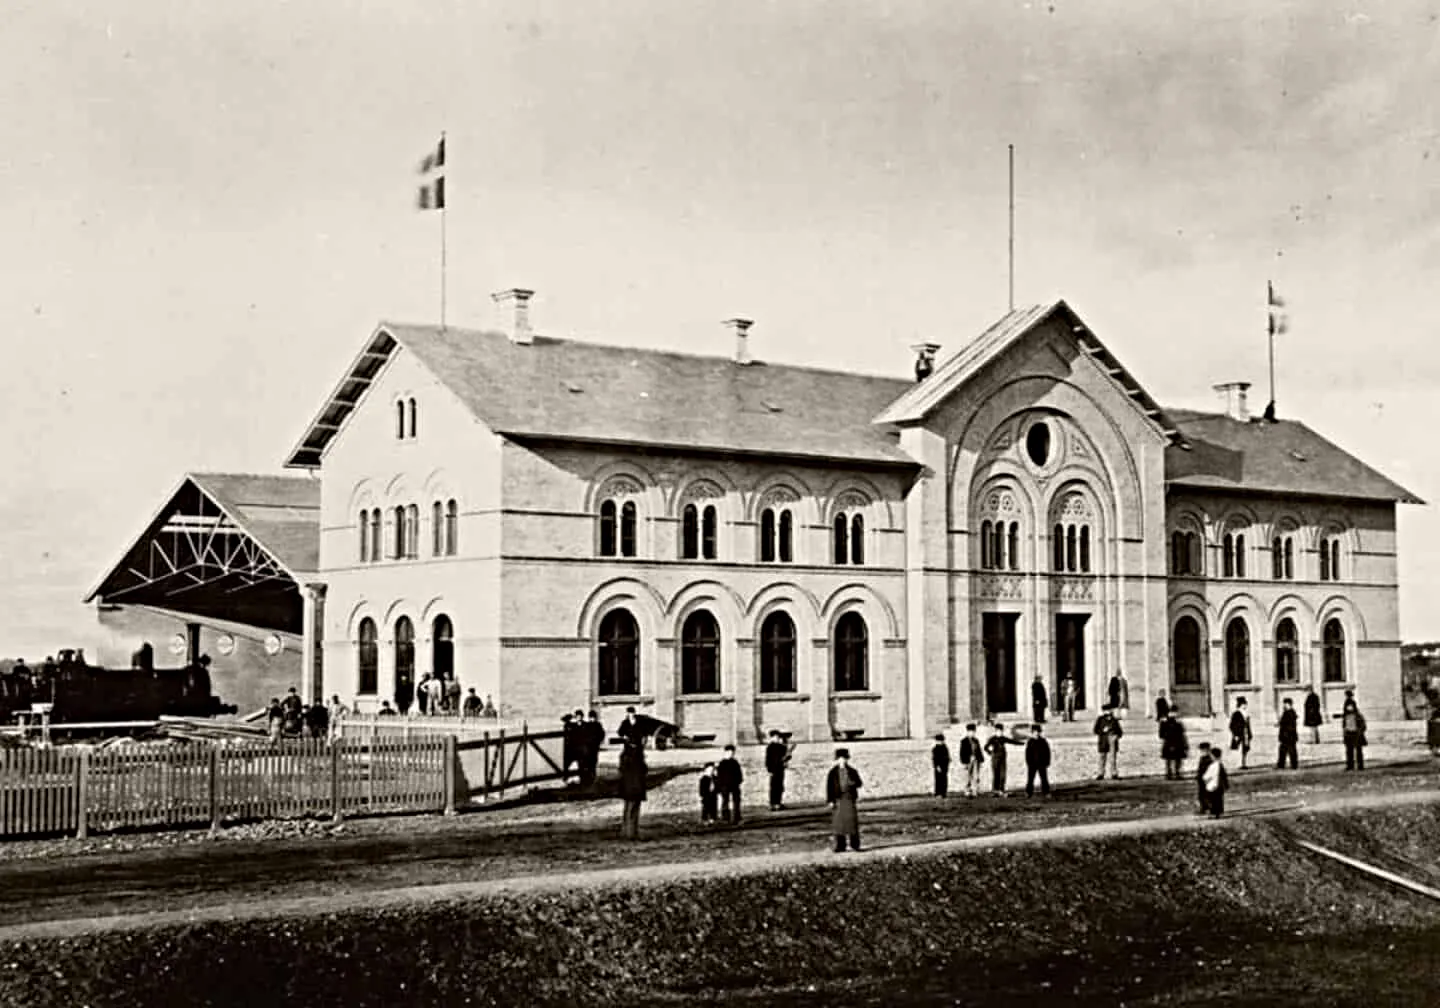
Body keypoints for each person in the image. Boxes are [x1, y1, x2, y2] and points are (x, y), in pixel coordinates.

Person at [825, 748, 863, 853]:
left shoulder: (852, 771)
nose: (842, 761)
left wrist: (853, 782)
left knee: (852, 823)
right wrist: (830, 800)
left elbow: (859, 783)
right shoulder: (832, 773)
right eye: (840, 759)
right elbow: (829, 788)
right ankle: (840, 845)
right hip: (838, 799)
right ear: (837, 760)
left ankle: (855, 845)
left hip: (849, 799)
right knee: (839, 824)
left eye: (844, 759)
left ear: (847, 759)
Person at [985, 722, 1023, 797]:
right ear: (995, 731)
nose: (1000, 733)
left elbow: (1012, 741)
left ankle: (1001, 790)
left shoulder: (1003, 738)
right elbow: (985, 747)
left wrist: (1022, 743)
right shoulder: (992, 739)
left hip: (1003, 759)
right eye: (998, 731)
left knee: (1003, 775)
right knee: (996, 775)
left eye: (1001, 731)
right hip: (995, 759)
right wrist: (990, 753)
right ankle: (994, 790)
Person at [618, 740, 647, 840]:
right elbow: (644, 769)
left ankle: (625, 831)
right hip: (636, 786)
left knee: (627, 809)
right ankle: (632, 833)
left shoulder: (624, 754)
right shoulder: (638, 755)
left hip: (626, 786)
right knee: (634, 810)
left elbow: (621, 769)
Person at [1336, 691, 1367, 771]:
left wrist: (1360, 731)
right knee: (1351, 750)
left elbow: (1362, 726)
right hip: (1350, 732)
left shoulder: (1356, 716)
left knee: (1355, 749)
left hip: (1355, 732)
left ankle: (1356, 765)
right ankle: (1353, 765)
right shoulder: (1350, 716)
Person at [1093, 705, 1124, 780]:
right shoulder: (1100, 719)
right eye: (1106, 710)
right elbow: (1095, 730)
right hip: (1103, 739)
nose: (1108, 711)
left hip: (1112, 738)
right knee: (1102, 757)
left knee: (1112, 757)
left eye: (1109, 710)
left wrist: (1116, 736)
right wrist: (1103, 731)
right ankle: (1101, 773)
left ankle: (1114, 773)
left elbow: (1120, 731)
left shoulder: (1114, 720)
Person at [717, 744, 744, 824]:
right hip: (725, 786)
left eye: (732, 753)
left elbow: (739, 773)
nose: (731, 754)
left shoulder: (735, 763)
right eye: (729, 752)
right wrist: (720, 786)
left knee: (737, 801)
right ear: (725, 753)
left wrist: (739, 781)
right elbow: (719, 776)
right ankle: (725, 818)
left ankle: (737, 817)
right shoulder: (722, 763)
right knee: (725, 801)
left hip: (735, 785)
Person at [764, 730, 790, 810]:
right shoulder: (770, 747)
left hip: (780, 769)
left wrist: (787, 758)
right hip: (773, 770)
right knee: (773, 787)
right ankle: (772, 804)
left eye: (778, 737)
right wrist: (769, 770)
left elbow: (786, 757)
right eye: (775, 737)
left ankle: (778, 803)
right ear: (772, 738)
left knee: (780, 787)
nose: (777, 738)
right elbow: (767, 760)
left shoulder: (782, 747)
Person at [1159, 706, 1188, 779]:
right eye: (1173, 712)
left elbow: (1182, 733)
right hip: (1171, 742)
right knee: (1171, 759)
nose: (1174, 714)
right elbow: (1161, 734)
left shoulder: (1177, 722)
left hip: (1176, 742)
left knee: (1176, 759)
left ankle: (1174, 773)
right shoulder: (1165, 722)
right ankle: (1171, 774)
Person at [958, 723, 985, 797]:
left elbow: (979, 750)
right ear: (967, 732)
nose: (972, 733)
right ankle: (967, 790)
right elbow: (962, 752)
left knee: (976, 775)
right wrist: (964, 762)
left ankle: (976, 790)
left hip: (976, 760)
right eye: (970, 732)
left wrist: (981, 760)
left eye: (973, 732)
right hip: (968, 760)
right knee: (967, 776)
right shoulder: (964, 741)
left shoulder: (976, 740)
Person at [1025, 723, 1051, 798]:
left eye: (1038, 732)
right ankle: (1028, 792)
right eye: (1034, 732)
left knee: (1044, 778)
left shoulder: (1043, 741)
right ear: (1032, 732)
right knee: (1030, 779)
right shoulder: (1030, 742)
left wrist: (1047, 762)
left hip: (1042, 763)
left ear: (1040, 732)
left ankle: (1046, 792)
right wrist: (1028, 762)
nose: (1036, 733)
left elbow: (1047, 752)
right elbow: (1027, 753)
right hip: (1032, 764)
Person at [1203, 743, 1229, 818]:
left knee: (1212, 800)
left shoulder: (1212, 766)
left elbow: (1207, 776)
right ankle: (1218, 813)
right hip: (1219, 786)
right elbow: (1224, 776)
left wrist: (1205, 779)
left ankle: (1212, 813)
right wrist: (1226, 785)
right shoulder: (1221, 765)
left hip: (1212, 786)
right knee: (1219, 800)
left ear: (1213, 756)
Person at [581, 710, 606, 787]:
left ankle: (592, 777)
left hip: (594, 747)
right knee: (587, 763)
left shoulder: (598, 725)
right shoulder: (587, 725)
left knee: (593, 762)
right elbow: (584, 736)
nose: (592, 719)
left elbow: (602, 734)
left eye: (593, 717)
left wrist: (598, 741)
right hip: (588, 747)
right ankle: (587, 778)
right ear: (589, 718)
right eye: (591, 717)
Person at [1229, 697, 1253, 769]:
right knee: (1239, 749)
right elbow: (1232, 725)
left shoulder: (1246, 714)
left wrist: (1250, 734)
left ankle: (1244, 763)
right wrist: (1235, 735)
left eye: (1245, 704)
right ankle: (1239, 764)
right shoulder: (1236, 714)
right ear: (1240, 705)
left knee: (1245, 749)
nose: (1245, 706)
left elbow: (1248, 725)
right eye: (1244, 704)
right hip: (1239, 734)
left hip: (1245, 733)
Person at [1277, 698, 1299, 770]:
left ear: (1288, 704)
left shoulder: (1290, 713)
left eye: (1285, 704)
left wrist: (1286, 733)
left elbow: (1289, 725)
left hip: (1288, 735)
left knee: (1290, 750)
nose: (1284, 705)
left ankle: (1291, 765)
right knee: (1284, 750)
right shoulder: (1289, 712)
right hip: (1287, 735)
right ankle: (1284, 764)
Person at [1194, 742, 1214, 815]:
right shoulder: (1203, 758)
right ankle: (1204, 808)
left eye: (1204, 750)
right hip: (1202, 779)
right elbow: (1200, 769)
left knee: (1207, 794)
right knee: (1201, 795)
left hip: (1207, 779)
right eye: (1202, 750)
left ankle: (1208, 808)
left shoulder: (1209, 759)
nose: (1202, 752)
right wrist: (1198, 776)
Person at [931, 733, 951, 798]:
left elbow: (947, 757)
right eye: (938, 741)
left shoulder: (945, 748)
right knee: (938, 780)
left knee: (944, 780)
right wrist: (936, 766)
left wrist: (947, 764)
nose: (940, 742)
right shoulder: (935, 749)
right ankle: (938, 793)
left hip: (944, 766)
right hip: (938, 767)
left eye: (941, 741)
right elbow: (934, 759)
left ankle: (943, 793)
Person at [561, 713, 577, 781]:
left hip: (571, 746)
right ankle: (566, 776)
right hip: (567, 746)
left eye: (568, 719)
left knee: (569, 762)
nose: (567, 721)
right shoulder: (566, 726)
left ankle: (568, 776)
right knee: (567, 762)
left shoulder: (571, 725)